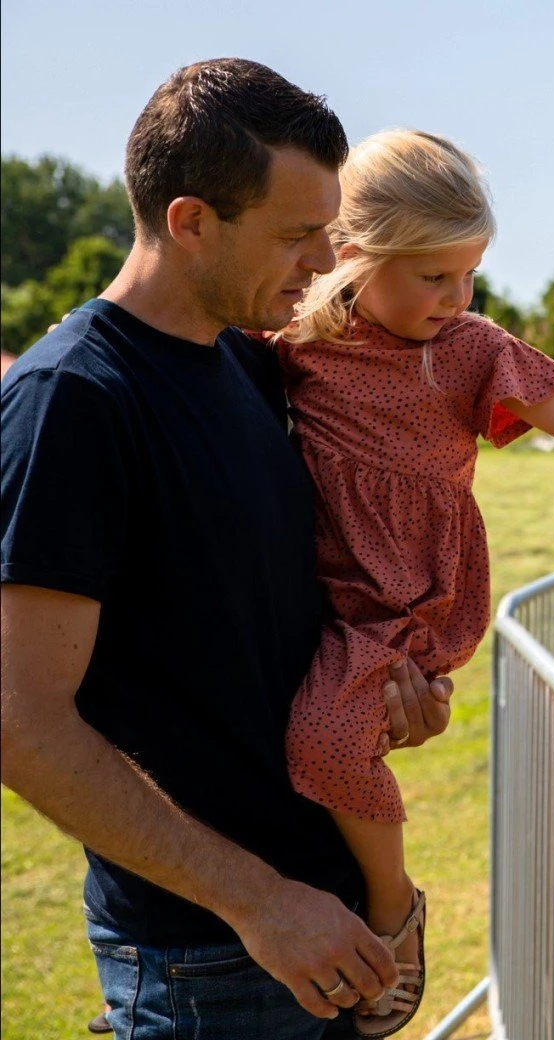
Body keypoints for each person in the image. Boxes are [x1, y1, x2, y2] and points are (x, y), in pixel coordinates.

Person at [1, 59, 454, 1039]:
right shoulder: (72, 400)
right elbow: (18, 718)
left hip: (318, 932)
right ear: (190, 220)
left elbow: (247, 643)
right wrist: (258, 900)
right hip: (213, 957)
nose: (325, 259)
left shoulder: (251, 365)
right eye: (296, 235)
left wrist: (381, 697)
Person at [272, 127, 554, 1034]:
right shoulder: (294, 340)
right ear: (352, 253)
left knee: (324, 741)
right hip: (322, 587)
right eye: (433, 276)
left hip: (405, 596)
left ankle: (393, 907)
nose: (456, 298)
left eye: (471, 276)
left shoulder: (468, 349)